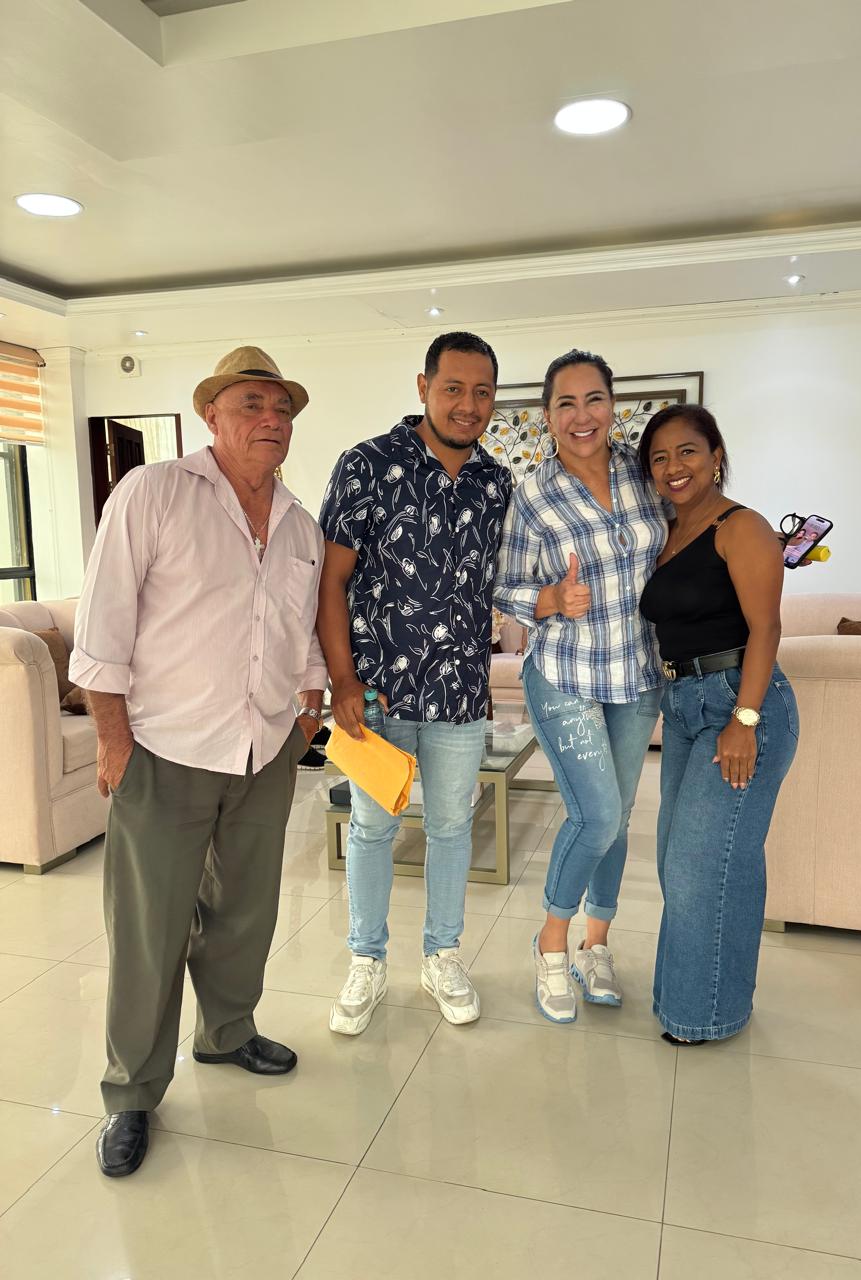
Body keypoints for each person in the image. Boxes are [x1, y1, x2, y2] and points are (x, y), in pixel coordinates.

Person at [70, 346, 327, 1178]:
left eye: (282, 409)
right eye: (253, 404)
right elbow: (102, 629)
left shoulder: (300, 523)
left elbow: (299, 634)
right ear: (211, 414)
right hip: (163, 748)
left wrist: (308, 709)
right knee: (149, 931)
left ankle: (227, 1033)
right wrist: (114, 740)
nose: (271, 420)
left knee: (246, 911)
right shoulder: (153, 493)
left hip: (265, 748)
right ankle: (133, 1090)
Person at [318, 331, 511, 1034]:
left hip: (460, 692)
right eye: (453, 388)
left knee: (453, 826)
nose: (468, 405)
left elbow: (496, 581)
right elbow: (330, 582)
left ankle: (442, 955)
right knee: (373, 829)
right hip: (377, 693)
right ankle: (366, 961)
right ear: (424, 386)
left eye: (482, 392)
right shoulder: (367, 465)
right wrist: (342, 680)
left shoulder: (495, 483)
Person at [494, 350, 667, 1023]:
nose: (581, 415)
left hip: (637, 674)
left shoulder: (644, 474)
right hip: (565, 673)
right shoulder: (533, 494)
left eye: (593, 399)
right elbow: (504, 585)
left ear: (612, 405)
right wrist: (550, 600)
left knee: (618, 819)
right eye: (565, 404)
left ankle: (597, 945)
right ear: (547, 416)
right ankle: (551, 944)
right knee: (595, 816)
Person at [637, 404, 799, 1044]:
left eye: (687, 452)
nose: (673, 467)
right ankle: (704, 997)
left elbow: (767, 628)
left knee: (702, 865)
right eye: (659, 458)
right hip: (683, 707)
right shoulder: (669, 532)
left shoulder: (742, 527)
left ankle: (702, 1014)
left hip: (739, 704)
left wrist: (745, 720)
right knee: (689, 860)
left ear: (716, 456)